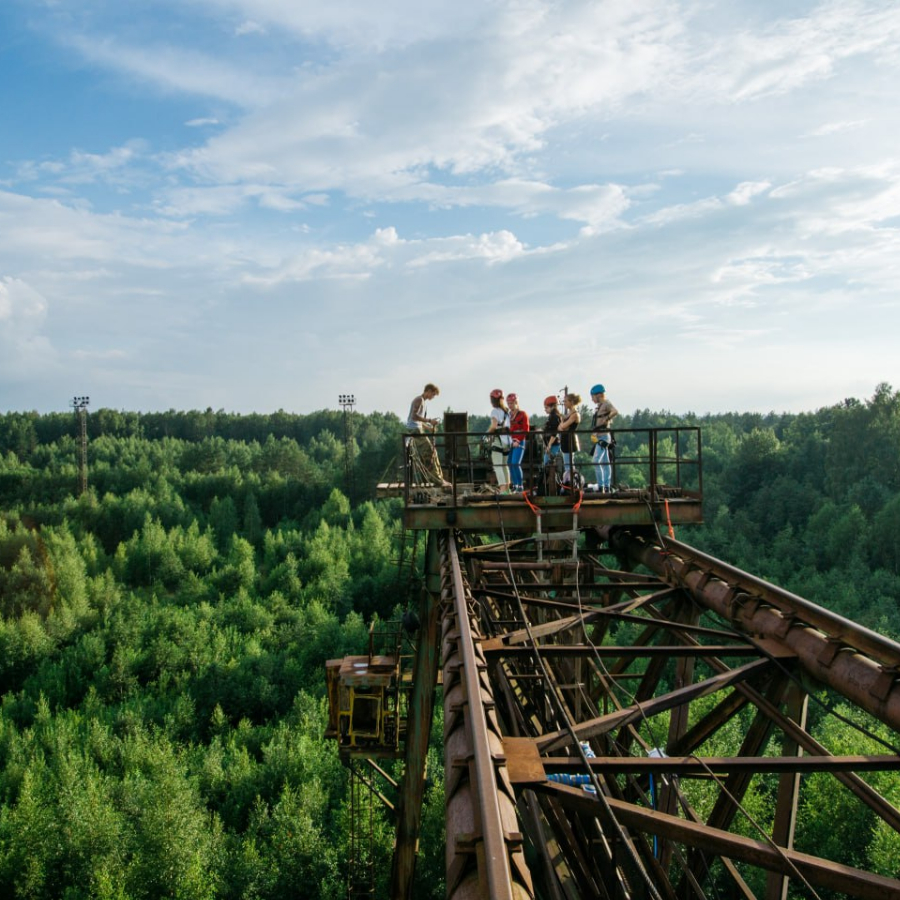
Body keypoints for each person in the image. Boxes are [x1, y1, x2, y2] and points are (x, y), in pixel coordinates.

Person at [405, 383, 447, 486]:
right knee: (430, 453)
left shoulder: (422, 401)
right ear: (428, 391)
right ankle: (437, 480)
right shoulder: (419, 400)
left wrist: (429, 427)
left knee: (433, 452)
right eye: (433, 394)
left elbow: (418, 420)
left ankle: (440, 478)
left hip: (417, 429)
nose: (433, 397)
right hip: (415, 430)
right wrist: (429, 420)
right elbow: (414, 416)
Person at [589, 383, 619, 492]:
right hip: (600, 435)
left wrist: (606, 419)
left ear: (598, 395)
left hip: (604, 436)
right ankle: (606, 485)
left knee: (596, 460)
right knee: (605, 462)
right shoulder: (600, 406)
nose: (592, 399)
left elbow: (615, 411)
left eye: (592, 396)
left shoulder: (606, 403)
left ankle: (601, 485)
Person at [486, 389, 510, 490]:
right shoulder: (506, 412)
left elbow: (494, 426)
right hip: (507, 441)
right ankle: (507, 489)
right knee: (505, 465)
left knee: (498, 466)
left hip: (498, 441)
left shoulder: (494, 411)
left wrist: (486, 434)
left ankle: (503, 490)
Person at [506, 393, 529, 492]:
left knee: (515, 463)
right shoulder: (509, 415)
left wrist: (518, 440)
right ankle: (514, 484)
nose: (509, 405)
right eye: (508, 403)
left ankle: (520, 486)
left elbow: (526, 429)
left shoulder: (523, 414)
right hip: (511, 441)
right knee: (509, 463)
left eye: (511, 403)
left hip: (519, 441)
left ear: (516, 402)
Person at [558, 393, 582, 482]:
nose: (564, 403)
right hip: (565, 440)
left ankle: (571, 482)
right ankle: (569, 481)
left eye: (566, 401)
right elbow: (561, 427)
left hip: (570, 440)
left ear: (571, 402)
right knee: (567, 463)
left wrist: (562, 425)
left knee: (569, 464)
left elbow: (563, 426)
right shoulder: (569, 414)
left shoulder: (575, 414)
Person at [542, 396, 561, 466]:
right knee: (547, 462)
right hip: (551, 444)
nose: (545, 410)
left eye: (546, 408)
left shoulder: (554, 417)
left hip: (553, 444)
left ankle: (551, 476)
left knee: (547, 463)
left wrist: (549, 445)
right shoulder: (551, 416)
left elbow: (554, 433)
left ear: (553, 407)